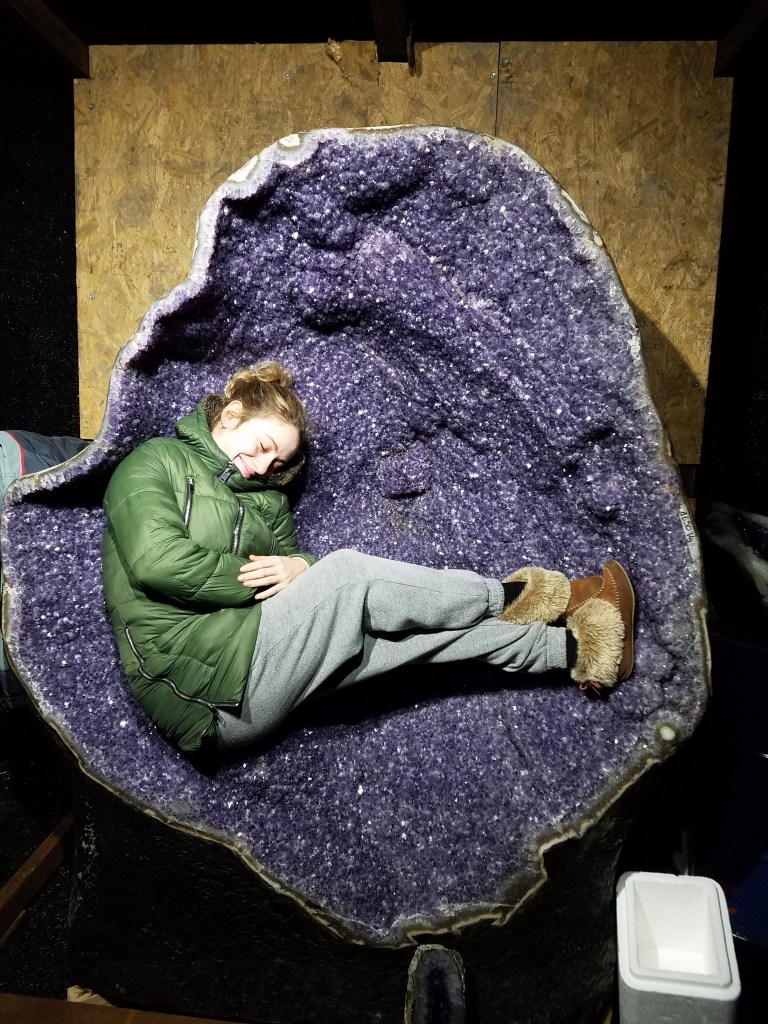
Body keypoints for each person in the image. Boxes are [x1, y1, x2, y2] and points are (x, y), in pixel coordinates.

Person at [102, 361, 635, 755]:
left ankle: (573, 650)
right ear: (233, 415)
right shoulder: (155, 461)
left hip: (254, 656)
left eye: (278, 460)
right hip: (204, 692)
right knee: (349, 575)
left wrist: (300, 567)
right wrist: (274, 579)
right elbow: (157, 562)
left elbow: (293, 567)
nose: (265, 467)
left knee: (411, 639)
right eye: (264, 445)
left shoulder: (267, 501)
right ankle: (525, 595)